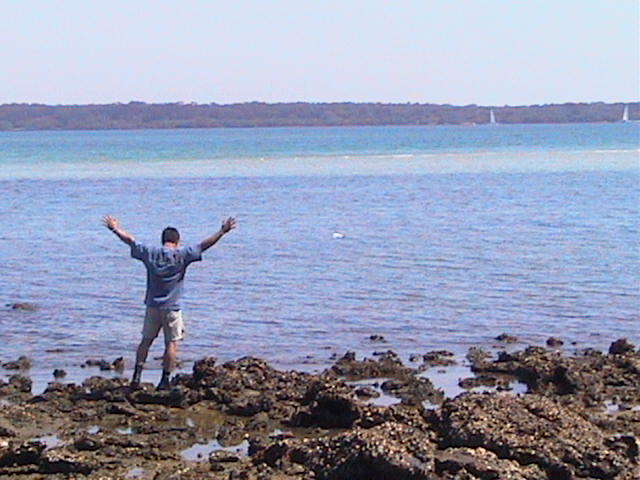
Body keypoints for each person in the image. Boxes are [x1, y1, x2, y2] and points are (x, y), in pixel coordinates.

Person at [102, 215, 236, 390]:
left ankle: (136, 376)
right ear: (177, 241)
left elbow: (131, 241)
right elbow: (204, 245)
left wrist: (115, 228)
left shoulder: (151, 253)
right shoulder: (182, 254)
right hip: (172, 307)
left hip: (152, 306)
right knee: (171, 344)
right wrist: (222, 231)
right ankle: (164, 380)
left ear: (163, 240)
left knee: (146, 341)